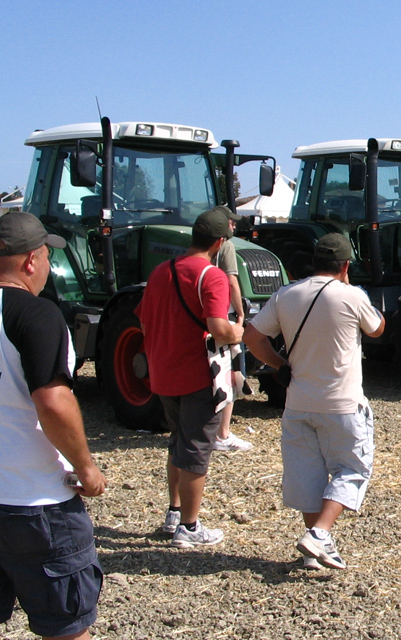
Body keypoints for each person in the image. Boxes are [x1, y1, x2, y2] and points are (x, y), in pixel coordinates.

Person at [244, 233, 384, 570]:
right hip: (342, 404)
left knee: (308, 476)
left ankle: (315, 549)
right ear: (345, 265)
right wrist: (354, 290)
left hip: (298, 402)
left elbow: (252, 336)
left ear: (314, 262)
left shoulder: (286, 294)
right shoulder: (351, 296)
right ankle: (320, 534)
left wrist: (279, 364)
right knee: (352, 469)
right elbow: (377, 328)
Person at [0, 212, 107, 640]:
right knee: (66, 626)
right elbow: (53, 401)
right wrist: (86, 466)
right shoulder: (36, 314)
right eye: (46, 256)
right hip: (35, 500)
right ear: (31, 261)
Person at [136, 209, 243, 548]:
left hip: (163, 372)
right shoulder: (212, 276)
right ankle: (189, 526)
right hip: (198, 375)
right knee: (196, 449)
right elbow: (218, 328)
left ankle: (174, 513)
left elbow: (143, 320)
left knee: (178, 443)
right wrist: (238, 331)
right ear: (219, 243)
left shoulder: (160, 271)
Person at [210, 206, 252, 453]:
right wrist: (241, 313)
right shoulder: (226, 246)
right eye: (231, 222)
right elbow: (232, 280)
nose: (234, 226)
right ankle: (222, 433)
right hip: (223, 313)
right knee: (230, 372)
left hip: (205, 315)